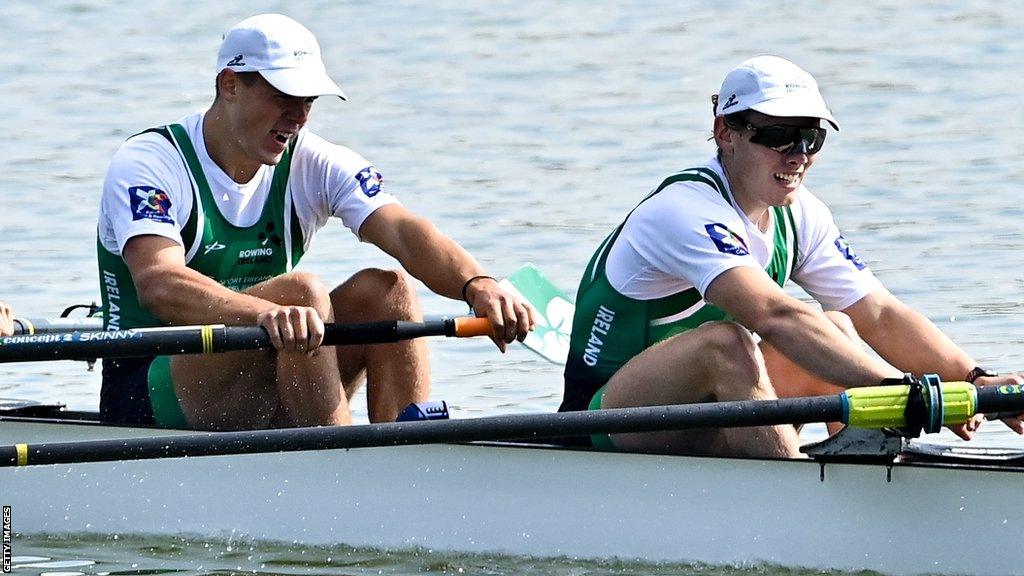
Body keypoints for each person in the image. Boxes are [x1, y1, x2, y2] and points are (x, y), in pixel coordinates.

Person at [559, 55, 1024, 457]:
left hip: (705, 415)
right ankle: (797, 489)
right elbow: (774, 315)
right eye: (780, 135)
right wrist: (905, 393)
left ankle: (867, 474)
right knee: (725, 344)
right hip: (602, 423)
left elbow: (879, 315)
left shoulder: (801, 214)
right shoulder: (681, 209)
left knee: (838, 328)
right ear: (726, 132)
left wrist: (974, 380)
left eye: (811, 137)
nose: (798, 155)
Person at [97, 13, 535, 430]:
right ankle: (339, 464)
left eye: (308, 100)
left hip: (265, 365)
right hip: (147, 384)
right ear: (230, 85)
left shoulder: (313, 161)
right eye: (283, 97)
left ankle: (408, 455)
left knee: (388, 290)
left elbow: (402, 229)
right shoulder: (150, 164)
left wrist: (477, 284)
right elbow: (159, 281)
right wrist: (268, 313)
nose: (300, 116)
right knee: (303, 292)